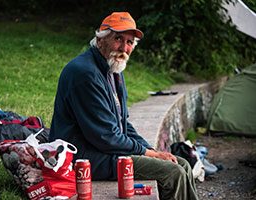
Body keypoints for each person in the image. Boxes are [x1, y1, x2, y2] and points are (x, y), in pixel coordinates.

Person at [49, 12, 199, 200]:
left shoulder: (113, 69)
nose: (124, 47)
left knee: (182, 163)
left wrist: (152, 151)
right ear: (100, 39)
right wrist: (148, 153)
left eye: (129, 42)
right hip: (84, 158)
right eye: (118, 39)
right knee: (172, 172)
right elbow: (106, 136)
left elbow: (123, 124)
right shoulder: (85, 73)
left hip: (103, 150)